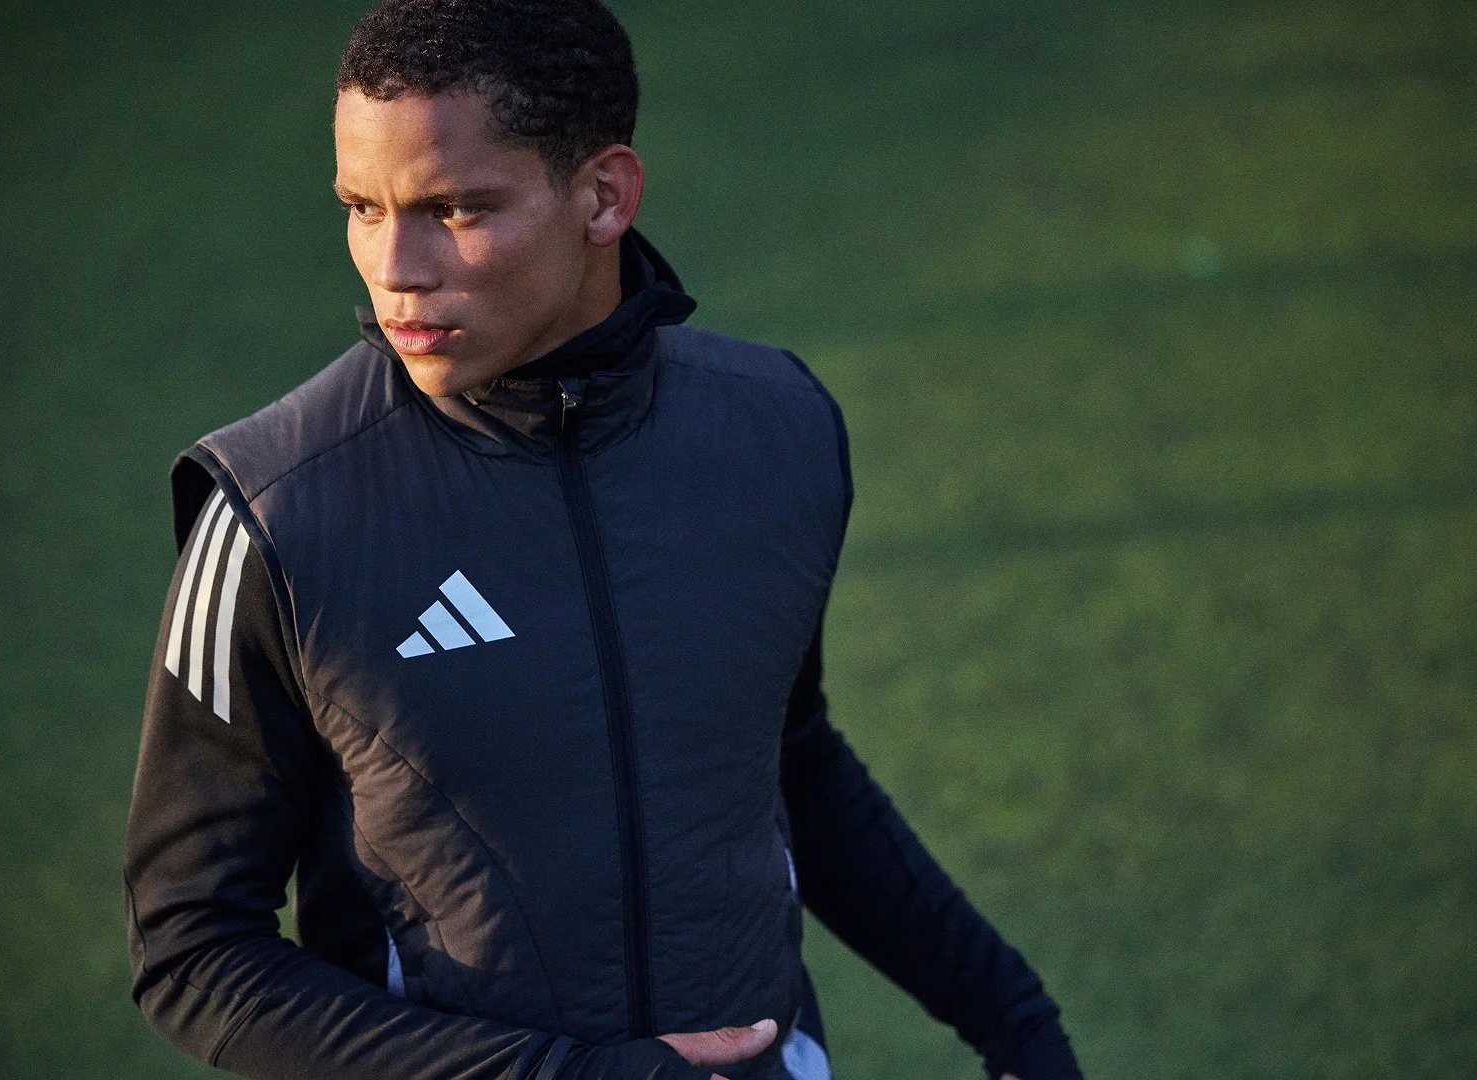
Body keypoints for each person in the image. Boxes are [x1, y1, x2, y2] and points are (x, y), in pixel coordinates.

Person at [122, 2, 1084, 1079]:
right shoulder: (273, 511)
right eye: (361, 206)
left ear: (602, 195)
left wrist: (1008, 1014)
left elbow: (780, 759)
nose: (395, 266)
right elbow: (192, 948)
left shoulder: (778, 429)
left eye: (454, 208)